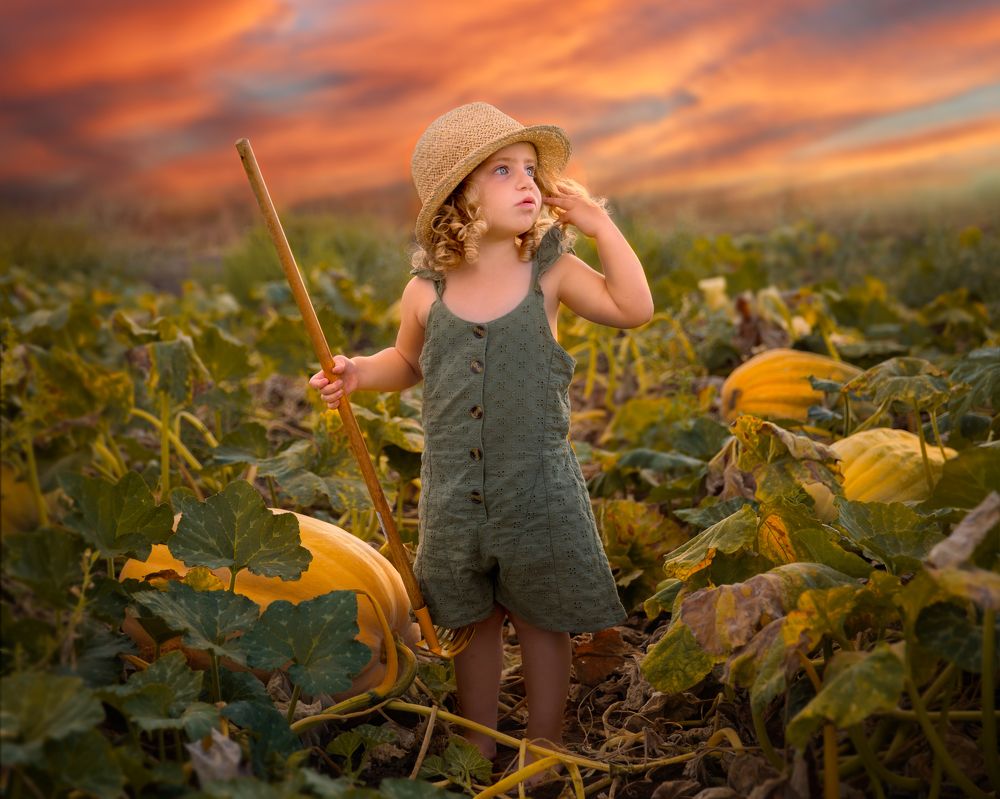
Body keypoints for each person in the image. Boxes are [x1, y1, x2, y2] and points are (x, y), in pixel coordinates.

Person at [310, 102, 653, 769]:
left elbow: (632, 307)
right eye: (503, 170)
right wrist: (355, 372)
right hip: (456, 492)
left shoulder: (550, 272)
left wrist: (601, 224)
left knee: (542, 617)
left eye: (531, 169)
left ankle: (545, 739)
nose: (527, 182)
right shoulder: (424, 291)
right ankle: (477, 738)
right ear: (457, 198)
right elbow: (407, 364)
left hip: (536, 484)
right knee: (472, 622)